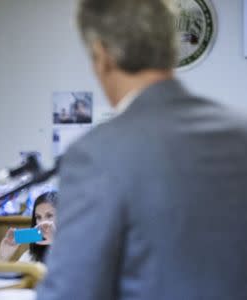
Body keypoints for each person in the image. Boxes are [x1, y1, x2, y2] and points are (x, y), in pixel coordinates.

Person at [37, 1, 247, 300]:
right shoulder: (240, 133)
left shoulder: (96, 154)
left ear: (102, 55)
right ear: (170, 48)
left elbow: (73, 291)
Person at [0, 191, 57, 263]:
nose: (42, 223)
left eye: (49, 216)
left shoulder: (73, 253)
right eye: (38, 217)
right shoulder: (29, 256)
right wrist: (3, 257)